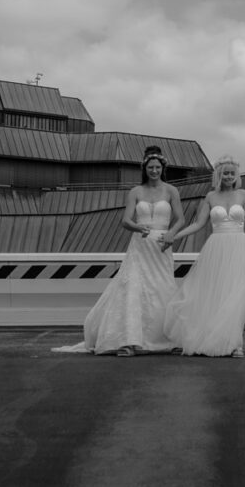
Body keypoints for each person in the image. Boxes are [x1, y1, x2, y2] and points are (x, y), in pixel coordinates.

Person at [56, 146, 184, 356]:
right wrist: (137, 227)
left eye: (157, 167)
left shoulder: (171, 191)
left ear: (163, 168)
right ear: (145, 168)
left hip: (162, 245)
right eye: (150, 167)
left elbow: (181, 219)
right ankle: (131, 340)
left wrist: (171, 234)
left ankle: (167, 337)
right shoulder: (136, 191)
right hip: (140, 246)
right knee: (135, 289)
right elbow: (125, 220)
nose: (154, 171)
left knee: (163, 287)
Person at [162, 156, 245, 357]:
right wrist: (174, 235)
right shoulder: (210, 197)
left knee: (234, 295)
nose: (229, 176)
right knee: (214, 292)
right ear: (218, 175)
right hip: (216, 249)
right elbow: (198, 224)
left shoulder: (243, 194)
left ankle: (234, 343)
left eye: (232, 173)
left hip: (239, 247)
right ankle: (212, 338)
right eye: (225, 173)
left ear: (237, 175)